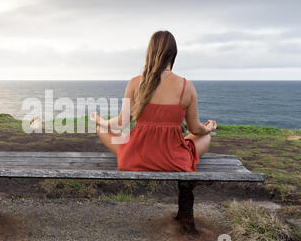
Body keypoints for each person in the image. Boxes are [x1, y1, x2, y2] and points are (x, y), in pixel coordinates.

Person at [90, 30, 216, 171]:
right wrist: (208, 128)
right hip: (174, 162)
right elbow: (195, 129)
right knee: (206, 137)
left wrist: (100, 121)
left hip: (136, 158)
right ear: (174, 54)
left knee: (102, 129)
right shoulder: (187, 87)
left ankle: (131, 150)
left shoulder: (135, 83)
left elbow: (121, 123)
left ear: (149, 53)